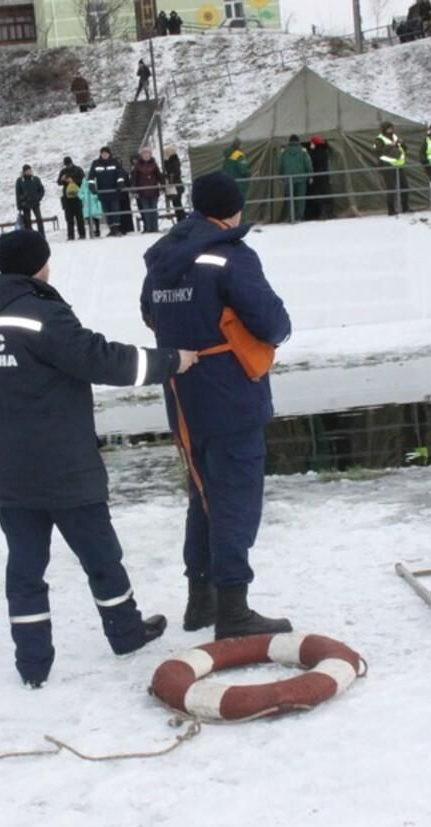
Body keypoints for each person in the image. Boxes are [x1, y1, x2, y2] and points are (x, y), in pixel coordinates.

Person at [0, 229, 196, 687]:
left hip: (10, 471)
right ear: (40, 264)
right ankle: (126, 633)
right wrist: (171, 361)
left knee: (26, 568)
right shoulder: (41, 314)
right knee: (101, 555)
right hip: (61, 465)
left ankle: (32, 665)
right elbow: (102, 359)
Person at [139, 171, 293, 639]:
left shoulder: (163, 258)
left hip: (184, 400)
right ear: (231, 210)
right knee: (235, 501)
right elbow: (271, 322)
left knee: (203, 495)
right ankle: (233, 608)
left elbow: (149, 313)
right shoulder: (231, 257)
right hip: (230, 396)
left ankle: (199, 601)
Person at [89, 147, 128, 236]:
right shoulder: (96, 163)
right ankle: (111, 229)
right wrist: (92, 186)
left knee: (115, 210)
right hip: (102, 192)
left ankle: (117, 229)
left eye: (106, 153)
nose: (105, 155)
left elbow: (120, 174)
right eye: (103, 153)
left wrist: (120, 183)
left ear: (109, 154)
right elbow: (91, 176)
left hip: (114, 191)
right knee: (106, 211)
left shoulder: (115, 162)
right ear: (100, 154)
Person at [374, 121, 410, 216]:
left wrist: (402, 144)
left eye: (391, 128)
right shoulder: (379, 139)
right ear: (384, 129)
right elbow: (378, 151)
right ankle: (391, 210)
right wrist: (391, 145)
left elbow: (405, 149)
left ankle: (405, 208)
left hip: (398, 165)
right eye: (388, 128)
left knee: (405, 187)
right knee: (391, 189)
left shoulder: (395, 136)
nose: (390, 130)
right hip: (387, 166)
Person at [278, 134, 312, 222]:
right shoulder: (303, 151)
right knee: (301, 199)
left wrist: (281, 176)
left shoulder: (284, 151)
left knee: (290, 199)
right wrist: (310, 175)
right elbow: (308, 164)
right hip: (301, 179)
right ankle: (299, 216)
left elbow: (280, 165)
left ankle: (291, 217)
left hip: (288, 179)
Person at [132, 146, 164, 233]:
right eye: (144, 153)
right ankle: (148, 228)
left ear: (150, 154)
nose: (146, 155)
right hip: (142, 191)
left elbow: (159, 176)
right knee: (146, 210)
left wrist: (163, 186)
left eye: (147, 153)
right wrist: (134, 191)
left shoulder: (154, 164)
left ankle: (155, 227)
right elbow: (134, 179)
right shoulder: (137, 166)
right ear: (141, 155)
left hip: (153, 190)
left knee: (154, 209)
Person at [58, 157, 87, 240]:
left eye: (69, 164)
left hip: (77, 196)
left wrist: (73, 180)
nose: (68, 166)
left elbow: (83, 180)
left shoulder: (78, 169)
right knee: (68, 217)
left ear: (72, 162)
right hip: (67, 197)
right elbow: (59, 182)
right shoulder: (63, 171)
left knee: (79, 217)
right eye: (66, 165)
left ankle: (82, 234)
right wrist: (62, 180)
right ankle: (70, 235)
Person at [305, 135, 333, 220]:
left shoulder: (316, 153)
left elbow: (312, 161)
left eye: (312, 144)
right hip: (323, 177)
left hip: (318, 178)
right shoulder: (324, 152)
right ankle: (325, 213)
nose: (311, 145)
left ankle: (321, 213)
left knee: (318, 196)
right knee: (324, 195)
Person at [15, 164, 46, 236]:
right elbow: (17, 194)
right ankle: (30, 236)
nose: (30, 172)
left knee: (39, 219)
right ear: (24, 172)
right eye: (28, 171)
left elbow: (41, 189)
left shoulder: (35, 179)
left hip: (35, 203)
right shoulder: (20, 180)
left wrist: (39, 197)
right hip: (25, 204)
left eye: (30, 170)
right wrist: (19, 205)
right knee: (28, 221)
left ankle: (42, 235)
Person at [163, 145, 185, 217]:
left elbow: (173, 172)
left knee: (177, 204)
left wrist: (166, 162)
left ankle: (181, 218)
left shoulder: (172, 161)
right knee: (177, 204)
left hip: (175, 185)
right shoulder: (174, 160)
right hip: (176, 185)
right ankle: (181, 218)